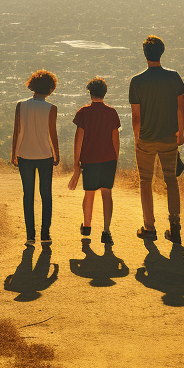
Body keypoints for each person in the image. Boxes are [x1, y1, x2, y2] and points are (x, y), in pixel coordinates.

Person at [129, 35, 184, 243]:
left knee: (146, 181)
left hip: (146, 138)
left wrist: (137, 139)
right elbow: (181, 108)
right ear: (162, 52)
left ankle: (149, 227)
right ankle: (175, 225)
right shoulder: (173, 77)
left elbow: (136, 117)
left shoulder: (137, 81)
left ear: (144, 54)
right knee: (171, 180)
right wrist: (180, 133)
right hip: (169, 137)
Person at [11, 69, 60, 246]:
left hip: (24, 154)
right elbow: (52, 134)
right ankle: (45, 235)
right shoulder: (51, 108)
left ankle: (30, 236)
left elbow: (16, 131)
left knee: (28, 195)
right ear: (49, 89)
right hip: (45, 154)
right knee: (46, 195)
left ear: (32, 85)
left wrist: (13, 154)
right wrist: (57, 153)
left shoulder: (21, 105)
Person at [70, 78, 121, 245]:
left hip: (89, 160)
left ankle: (87, 226)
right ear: (104, 93)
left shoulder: (83, 112)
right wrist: (116, 159)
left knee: (89, 193)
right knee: (107, 194)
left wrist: (76, 164)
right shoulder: (112, 113)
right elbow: (115, 139)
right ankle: (106, 231)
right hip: (108, 158)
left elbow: (78, 140)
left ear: (90, 93)